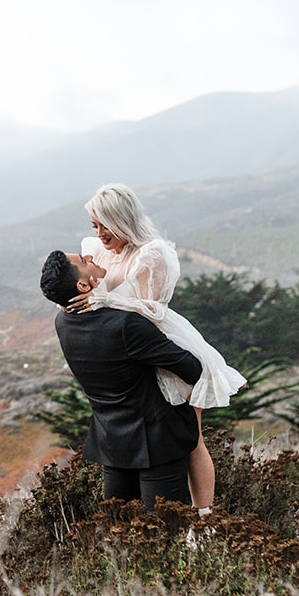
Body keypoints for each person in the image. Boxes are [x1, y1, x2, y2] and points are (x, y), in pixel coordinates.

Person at [69, 183, 246, 509]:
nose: (99, 233)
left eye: (105, 224)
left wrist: (107, 299)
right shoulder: (97, 248)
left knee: (192, 437)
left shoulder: (153, 253)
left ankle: (203, 515)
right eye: (94, 225)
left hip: (157, 341)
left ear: (123, 218)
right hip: (123, 352)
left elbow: (154, 309)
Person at [40, 249, 204, 508]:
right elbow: (191, 367)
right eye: (84, 261)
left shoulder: (62, 322)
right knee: (167, 531)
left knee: (119, 533)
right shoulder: (126, 324)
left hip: (111, 442)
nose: (91, 256)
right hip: (157, 440)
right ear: (83, 285)